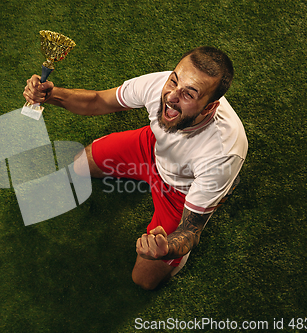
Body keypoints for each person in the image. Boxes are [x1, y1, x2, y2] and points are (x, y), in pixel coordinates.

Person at [23, 46, 248, 290]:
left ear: (209, 108)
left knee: (144, 279)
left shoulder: (221, 154)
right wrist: (50, 94)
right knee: (80, 163)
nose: (172, 95)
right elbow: (98, 101)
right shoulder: (160, 85)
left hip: (181, 192)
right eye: (174, 80)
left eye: (189, 94)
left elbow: (191, 231)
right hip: (151, 149)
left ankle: (219, 193)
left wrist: (167, 247)